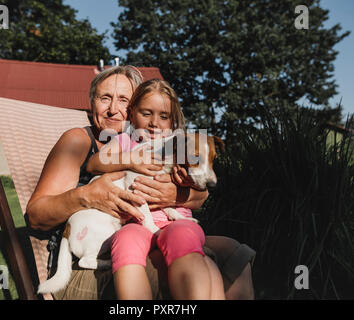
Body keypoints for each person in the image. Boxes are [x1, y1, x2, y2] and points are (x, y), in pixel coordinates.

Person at [26, 65, 255, 300]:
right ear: (91, 101)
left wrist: (173, 194)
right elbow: (35, 216)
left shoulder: (154, 145)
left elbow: (200, 192)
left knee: (235, 254)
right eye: (104, 98)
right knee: (192, 264)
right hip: (88, 260)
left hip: (148, 230)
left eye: (123, 100)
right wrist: (86, 195)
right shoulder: (79, 141)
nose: (113, 109)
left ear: (133, 108)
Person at [86, 78, 225, 299]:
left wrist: (185, 183)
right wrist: (130, 159)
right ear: (131, 114)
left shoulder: (181, 144)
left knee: (181, 237)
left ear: (173, 120)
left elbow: (202, 186)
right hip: (136, 222)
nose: (154, 123)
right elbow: (94, 164)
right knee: (126, 240)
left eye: (163, 116)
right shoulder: (125, 142)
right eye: (146, 113)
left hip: (176, 220)